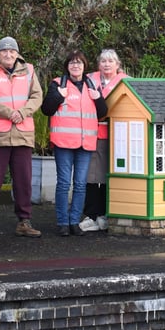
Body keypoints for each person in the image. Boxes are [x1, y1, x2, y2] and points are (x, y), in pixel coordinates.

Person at [0, 37, 44, 239]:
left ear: (17, 54)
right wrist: (8, 112)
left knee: (23, 180)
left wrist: (22, 112)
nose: (9, 55)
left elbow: (37, 96)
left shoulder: (29, 70)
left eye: (12, 51)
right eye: (5, 51)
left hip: (22, 133)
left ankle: (24, 221)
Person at [42, 50, 107, 237]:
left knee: (80, 184)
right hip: (64, 143)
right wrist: (58, 96)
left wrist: (98, 98)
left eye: (79, 63)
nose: (75, 66)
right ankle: (63, 222)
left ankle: (74, 222)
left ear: (84, 66)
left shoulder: (91, 85)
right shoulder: (58, 84)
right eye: (72, 63)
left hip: (85, 143)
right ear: (67, 66)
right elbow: (46, 109)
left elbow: (102, 112)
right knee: (63, 183)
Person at [80, 49, 129, 232]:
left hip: (119, 134)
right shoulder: (89, 80)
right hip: (93, 132)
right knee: (92, 176)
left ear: (118, 64)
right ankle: (91, 214)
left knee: (114, 175)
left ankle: (108, 213)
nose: (107, 64)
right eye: (103, 61)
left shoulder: (126, 81)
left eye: (111, 61)